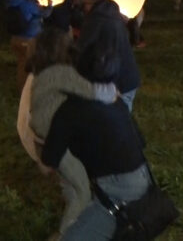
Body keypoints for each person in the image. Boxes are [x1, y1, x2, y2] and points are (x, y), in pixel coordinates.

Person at [28, 27, 117, 234]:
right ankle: (68, 235)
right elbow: (94, 92)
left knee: (71, 187)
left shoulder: (43, 74)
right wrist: (114, 92)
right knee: (82, 192)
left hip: (47, 140)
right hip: (57, 143)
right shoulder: (61, 73)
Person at [40, 91, 150, 239]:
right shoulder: (113, 97)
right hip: (143, 179)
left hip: (117, 193)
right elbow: (140, 142)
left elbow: (48, 162)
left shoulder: (68, 110)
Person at [74, 0, 140, 111]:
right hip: (126, 77)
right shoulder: (110, 8)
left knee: (116, 128)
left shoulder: (96, 20)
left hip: (118, 85)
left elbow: (78, 53)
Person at [6, 0, 53, 89]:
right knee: (28, 66)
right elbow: (45, 14)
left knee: (21, 64)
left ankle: (23, 87)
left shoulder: (11, 2)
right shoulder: (27, 5)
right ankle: (25, 89)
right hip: (27, 40)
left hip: (15, 39)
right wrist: (50, 6)